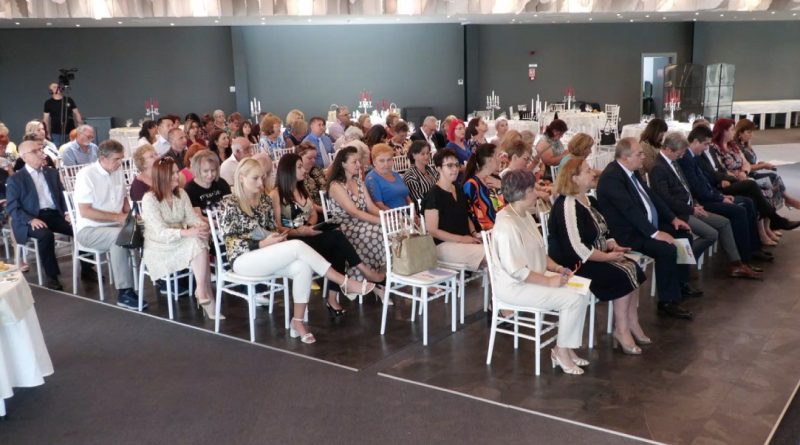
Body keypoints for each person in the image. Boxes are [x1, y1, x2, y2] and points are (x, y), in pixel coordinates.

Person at [220, 158, 375, 343]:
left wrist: (276, 237)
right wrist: (262, 244)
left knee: (303, 267)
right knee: (297, 246)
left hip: (266, 254)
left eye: (262, 177)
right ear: (241, 178)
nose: (261, 183)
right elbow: (230, 241)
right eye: (255, 178)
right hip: (242, 259)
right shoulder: (230, 203)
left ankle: (298, 321)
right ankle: (344, 282)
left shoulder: (264, 200)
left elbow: (271, 229)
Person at [491, 169, 590, 374]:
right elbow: (517, 272)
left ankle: (566, 347)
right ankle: (561, 352)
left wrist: (557, 268)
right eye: (533, 189)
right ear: (523, 193)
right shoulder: (506, 224)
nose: (536, 193)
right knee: (572, 300)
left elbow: (539, 252)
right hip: (514, 287)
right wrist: (549, 281)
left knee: (583, 289)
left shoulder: (524, 214)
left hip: (533, 277)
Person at [548, 158, 648, 353]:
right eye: (587, 171)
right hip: (575, 264)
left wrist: (613, 245)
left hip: (594, 255)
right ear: (574, 178)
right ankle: (621, 329)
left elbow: (605, 230)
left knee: (632, 267)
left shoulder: (589, 200)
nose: (593, 173)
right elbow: (576, 248)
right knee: (623, 272)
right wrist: (608, 257)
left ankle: (631, 321)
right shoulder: (567, 205)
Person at [270, 153, 384, 319]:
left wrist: (311, 226)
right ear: (288, 171)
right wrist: (299, 230)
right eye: (299, 167)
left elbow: (312, 213)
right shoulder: (276, 194)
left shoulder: (302, 189)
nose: (304, 170)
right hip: (292, 239)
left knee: (337, 244)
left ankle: (335, 297)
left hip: (308, 233)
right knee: (336, 238)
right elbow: (277, 226)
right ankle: (364, 273)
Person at [596, 138, 696, 320]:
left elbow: (653, 197)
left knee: (683, 235)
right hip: (627, 233)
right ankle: (667, 301)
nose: (644, 157)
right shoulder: (612, 177)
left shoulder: (632, 171)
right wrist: (655, 233)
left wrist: (672, 218)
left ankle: (680, 284)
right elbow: (629, 210)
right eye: (639, 154)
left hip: (644, 225)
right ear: (625, 157)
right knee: (667, 249)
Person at [650, 133, 762, 279]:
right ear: (669, 150)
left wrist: (695, 203)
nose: (682, 156)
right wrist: (691, 209)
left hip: (691, 207)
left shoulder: (673, 161)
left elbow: (686, 188)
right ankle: (683, 261)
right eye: (680, 153)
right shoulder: (658, 168)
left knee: (724, 223)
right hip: (678, 214)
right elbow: (666, 200)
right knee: (711, 234)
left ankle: (736, 264)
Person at [140, 158, 223, 319]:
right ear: (161, 176)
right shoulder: (149, 199)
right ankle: (206, 297)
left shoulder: (181, 193)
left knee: (199, 239)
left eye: (176, 172)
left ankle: (201, 290)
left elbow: (191, 218)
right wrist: (188, 232)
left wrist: (201, 226)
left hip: (182, 239)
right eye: (172, 173)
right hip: (159, 245)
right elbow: (160, 232)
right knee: (197, 242)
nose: (177, 176)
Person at [679, 125, 771, 265]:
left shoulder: (692, 157)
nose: (707, 148)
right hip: (701, 202)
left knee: (748, 202)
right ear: (696, 141)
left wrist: (720, 196)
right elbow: (698, 189)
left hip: (707, 196)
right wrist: (720, 197)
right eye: (705, 144)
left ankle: (751, 249)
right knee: (739, 210)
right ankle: (745, 256)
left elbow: (704, 183)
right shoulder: (686, 158)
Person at [73, 140, 141, 309]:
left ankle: (162, 279)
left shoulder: (117, 171)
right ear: (103, 158)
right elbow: (85, 212)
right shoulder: (86, 175)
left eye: (122, 158)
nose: (120, 162)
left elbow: (123, 199)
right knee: (119, 237)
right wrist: (118, 217)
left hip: (115, 225)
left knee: (146, 229)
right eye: (117, 159)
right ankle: (124, 292)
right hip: (89, 230)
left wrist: (132, 214)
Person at [6, 140, 73, 290]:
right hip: (29, 218)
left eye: (40, 150)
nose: (41, 153)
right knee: (46, 235)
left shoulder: (51, 173)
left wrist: (67, 212)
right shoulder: (16, 179)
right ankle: (52, 276)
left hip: (54, 214)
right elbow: (12, 208)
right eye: (35, 151)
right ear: (24, 157)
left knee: (79, 227)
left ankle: (87, 269)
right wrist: (30, 220)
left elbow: (62, 197)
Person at [326, 147, 387, 285]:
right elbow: (353, 212)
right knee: (378, 231)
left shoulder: (358, 181)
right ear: (343, 164)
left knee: (389, 229)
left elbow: (370, 207)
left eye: (358, 161)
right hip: (345, 226)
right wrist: (381, 221)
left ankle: (382, 271)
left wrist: (386, 216)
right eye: (354, 162)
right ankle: (375, 275)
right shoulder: (336, 185)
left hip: (361, 222)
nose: (359, 165)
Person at [422, 149, 485, 270]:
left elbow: (465, 215)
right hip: (443, 245)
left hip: (464, 239)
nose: (455, 169)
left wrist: (473, 233)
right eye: (450, 166)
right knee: (491, 254)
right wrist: (462, 239)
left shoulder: (457, 188)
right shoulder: (433, 195)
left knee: (496, 249)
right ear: (438, 168)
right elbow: (432, 230)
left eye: (456, 165)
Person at [734, 118, 800, 210]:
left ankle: (780, 204)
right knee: (773, 179)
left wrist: (759, 164)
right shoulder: (737, 147)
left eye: (752, 132)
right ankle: (786, 200)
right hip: (747, 176)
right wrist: (762, 166)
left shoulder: (746, 145)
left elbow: (751, 163)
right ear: (740, 133)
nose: (751, 135)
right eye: (748, 132)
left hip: (753, 174)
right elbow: (744, 167)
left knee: (774, 179)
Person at [463, 143, 505, 231]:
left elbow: (507, 204)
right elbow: (471, 216)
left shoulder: (495, 179)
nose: (501, 159)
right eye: (498, 155)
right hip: (488, 232)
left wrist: (502, 185)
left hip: (503, 226)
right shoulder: (471, 185)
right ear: (490, 160)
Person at [184, 150, 231, 220]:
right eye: (205, 171)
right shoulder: (190, 189)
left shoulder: (221, 182)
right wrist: (217, 223)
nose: (210, 175)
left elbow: (230, 206)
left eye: (213, 170)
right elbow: (198, 217)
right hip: (207, 224)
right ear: (197, 170)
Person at [365, 143, 411, 210]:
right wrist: (398, 215)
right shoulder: (371, 179)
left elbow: (407, 197)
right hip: (390, 215)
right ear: (374, 162)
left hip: (408, 213)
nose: (386, 164)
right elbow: (379, 205)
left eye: (389, 160)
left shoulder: (396, 174)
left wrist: (413, 212)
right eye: (382, 161)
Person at [402, 140, 439, 204]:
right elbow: (418, 200)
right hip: (423, 206)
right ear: (414, 155)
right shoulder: (410, 176)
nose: (426, 156)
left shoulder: (431, 169)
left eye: (428, 153)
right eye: (422, 154)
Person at [295, 142, 326, 214]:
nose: (313, 160)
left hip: (325, 207)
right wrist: (325, 210)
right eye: (309, 158)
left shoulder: (317, 169)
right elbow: (305, 203)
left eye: (315, 158)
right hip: (311, 212)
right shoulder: (297, 177)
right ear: (299, 158)